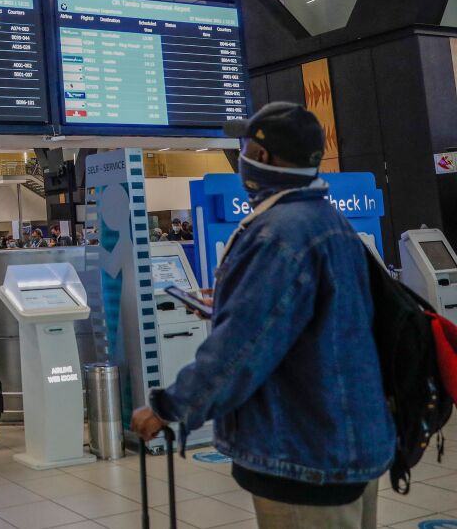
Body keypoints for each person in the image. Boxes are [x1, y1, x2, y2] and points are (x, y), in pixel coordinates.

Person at [131, 102, 393, 529]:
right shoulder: (330, 222)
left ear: (265, 158)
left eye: (248, 146)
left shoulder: (277, 234)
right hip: (347, 441)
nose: (243, 155)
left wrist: (168, 407)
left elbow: (240, 351)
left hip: (303, 453)